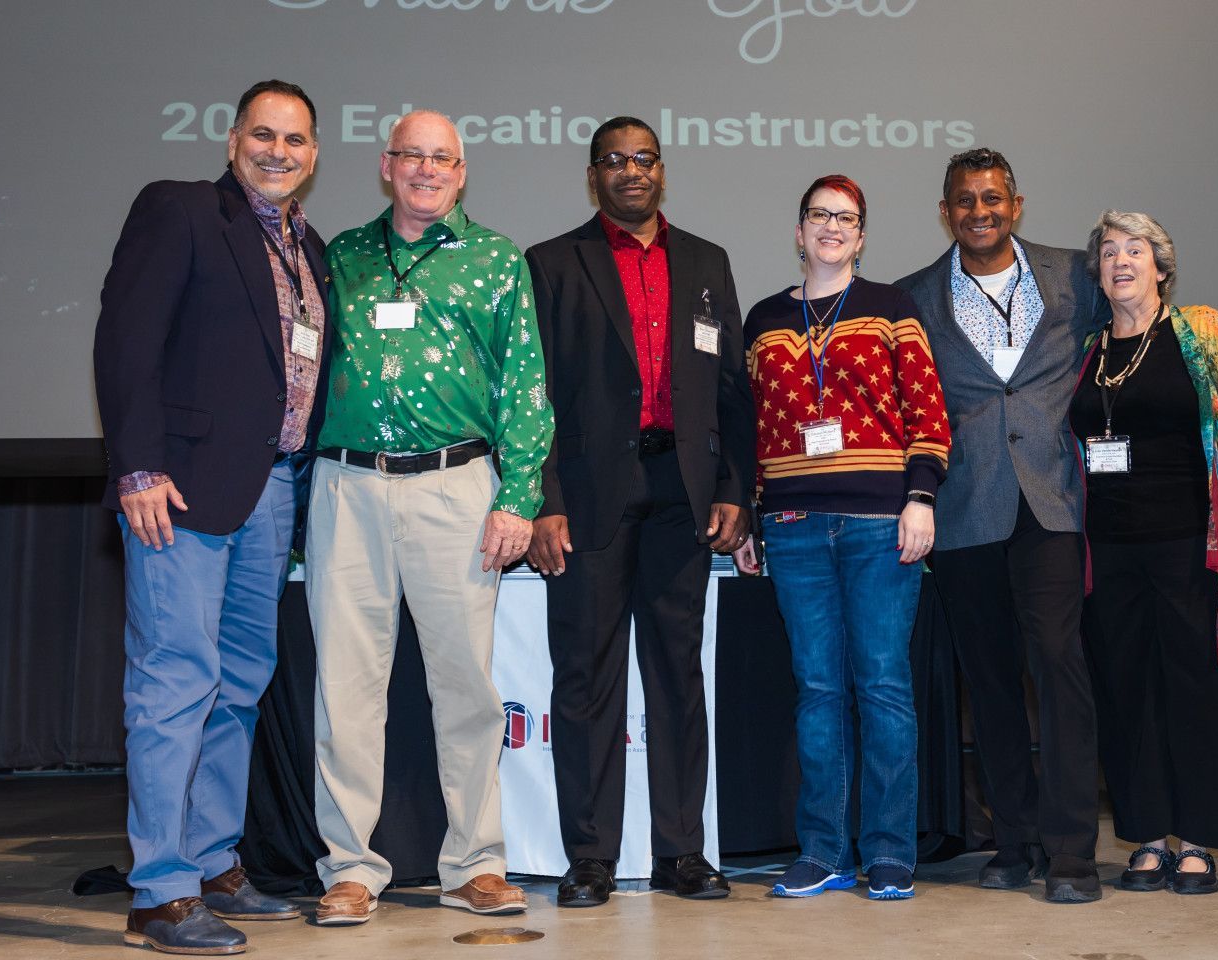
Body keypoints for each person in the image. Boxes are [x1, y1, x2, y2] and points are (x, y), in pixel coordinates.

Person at [94, 79, 330, 955]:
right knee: (174, 682)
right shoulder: (182, 210)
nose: (278, 150)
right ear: (233, 140)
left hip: (268, 489)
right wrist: (138, 468)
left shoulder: (305, 243)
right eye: (263, 135)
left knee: (239, 683)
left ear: (314, 153)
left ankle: (212, 862)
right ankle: (159, 893)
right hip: (180, 489)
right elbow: (125, 340)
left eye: (296, 139)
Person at [307, 110, 554, 924]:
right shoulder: (341, 254)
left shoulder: (495, 260)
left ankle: (475, 863)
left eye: (439, 158)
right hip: (348, 488)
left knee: (467, 689)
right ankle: (349, 867)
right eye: (410, 155)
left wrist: (519, 497)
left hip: (457, 486)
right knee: (345, 689)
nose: (424, 169)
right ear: (385, 165)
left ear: (461, 170)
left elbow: (523, 385)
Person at [524, 116, 756, 906]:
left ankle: (681, 852)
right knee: (585, 680)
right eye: (615, 161)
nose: (632, 172)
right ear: (593, 175)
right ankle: (588, 856)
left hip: (681, 497)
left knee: (676, 677)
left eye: (644, 159)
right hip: (588, 501)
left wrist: (733, 488)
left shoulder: (705, 261)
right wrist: (543, 501)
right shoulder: (552, 264)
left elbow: (730, 389)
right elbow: (537, 396)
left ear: (662, 170)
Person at [897, 147, 1109, 903]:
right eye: (963, 200)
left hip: (1052, 502)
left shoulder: (1074, 276)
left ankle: (1072, 851)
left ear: (1015, 204)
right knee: (986, 680)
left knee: (1057, 663)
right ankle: (1013, 842)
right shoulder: (912, 295)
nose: (978, 211)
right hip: (963, 509)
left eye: (991, 198)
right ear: (945, 210)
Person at [733, 175, 951, 901]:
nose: (831, 227)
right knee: (817, 689)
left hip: (877, 522)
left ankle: (888, 852)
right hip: (792, 527)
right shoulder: (762, 320)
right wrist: (749, 514)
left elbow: (927, 413)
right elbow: (747, 430)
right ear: (798, 233)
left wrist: (920, 497)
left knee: (883, 686)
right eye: (819, 215)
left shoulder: (892, 307)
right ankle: (823, 849)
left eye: (846, 218)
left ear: (860, 237)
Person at [1069, 210, 1218, 894]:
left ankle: (1195, 839)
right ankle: (1145, 837)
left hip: (1191, 545)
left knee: (1195, 688)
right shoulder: (1087, 348)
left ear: (1161, 267)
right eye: (1108, 252)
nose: (1120, 261)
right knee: (1127, 688)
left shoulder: (1201, 332)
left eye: (1134, 249)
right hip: (1106, 548)